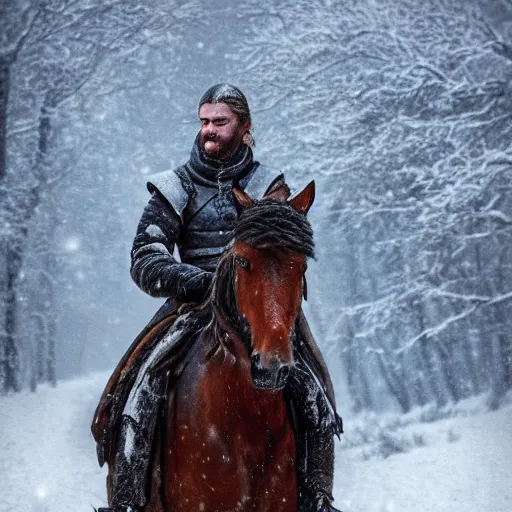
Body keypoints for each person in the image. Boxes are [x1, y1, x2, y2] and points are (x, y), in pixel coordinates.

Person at [93, 84, 342, 512]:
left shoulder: (270, 187)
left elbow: (282, 256)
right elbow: (146, 256)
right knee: (141, 387)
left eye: (220, 122)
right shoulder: (175, 187)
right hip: (192, 309)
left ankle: (317, 498)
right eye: (204, 121)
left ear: (244, 127)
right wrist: (199, 282)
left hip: (262, 309)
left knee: (312, 394)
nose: (209, 130)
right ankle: (128, 503)